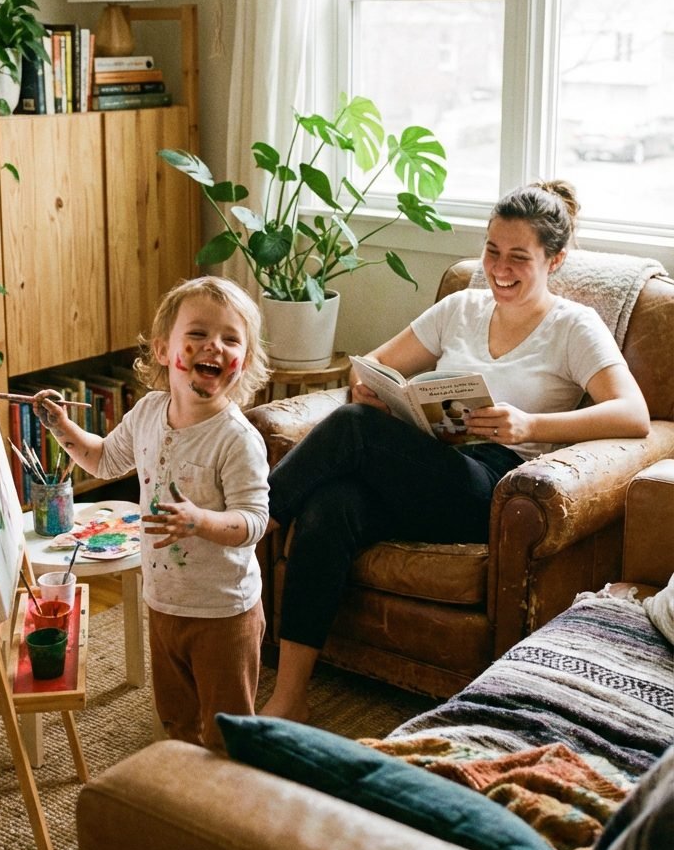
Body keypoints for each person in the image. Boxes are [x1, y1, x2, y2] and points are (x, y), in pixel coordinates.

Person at [261, 180, 650, 722]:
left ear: (555, 260)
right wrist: (371, 388)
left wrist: (529, 424)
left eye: (519, 257)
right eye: (492, 251)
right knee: (332, 506)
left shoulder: (572, 327)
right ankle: (289, 698)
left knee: (352, 427)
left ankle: (249, 521)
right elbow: (371, 363)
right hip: (425, 465)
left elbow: (633, 414)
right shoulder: (460, 307)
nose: (499, 268)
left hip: (491, 487)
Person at [34, 276, 270, 750]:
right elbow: (103, 459)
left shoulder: (237, 439)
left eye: (230, 338)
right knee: (177, 723)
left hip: (224, 611)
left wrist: (199, 521)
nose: (214, 347)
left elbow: (254, 522)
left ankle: (228, 811)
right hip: (163, 602)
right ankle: (180, 799)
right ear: (164, 350)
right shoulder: (146, 412)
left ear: (243, 363)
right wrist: (61, 426)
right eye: (198, 334)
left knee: (229, 733)